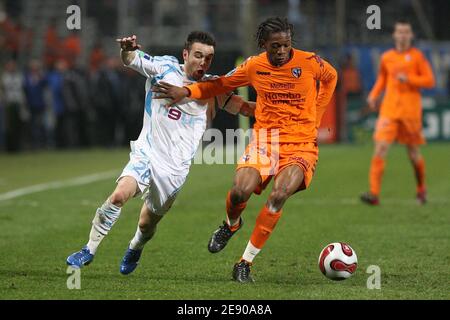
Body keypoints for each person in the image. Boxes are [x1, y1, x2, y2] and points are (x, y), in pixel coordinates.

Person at [153, 17, 337, 283]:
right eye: (275, 47)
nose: (282, 52)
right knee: (240, 190)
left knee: (279, 194)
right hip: (266, 140)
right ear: (264, 45)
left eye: (286, 45)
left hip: (301, 144)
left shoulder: (309, 62)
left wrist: (317, 115)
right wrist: (187, 90)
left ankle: (245, 262)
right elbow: (220, 85)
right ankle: (231, 224)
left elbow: (331, 77)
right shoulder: (254, 66)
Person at [66, 31, 255, 274]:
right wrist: (127, 48)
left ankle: (136, 245)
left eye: (208, 58)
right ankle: (88, 250)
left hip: (175, 169)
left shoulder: (212, 86)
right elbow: (132, 59)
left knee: (147, 224)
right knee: (118, 196)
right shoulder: (164, 68)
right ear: (185, 54)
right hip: (147, 152)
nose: (203, 62)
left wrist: (277, 110)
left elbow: (243, 108)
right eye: (198, 55)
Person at [360, 20, 435, 206]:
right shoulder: (387, 57)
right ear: (394, 35)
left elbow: (429, 80)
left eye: (406, 32)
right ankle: (374, 193)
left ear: (411, 36)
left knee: (413, 153)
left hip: (410, 112)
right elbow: (382, 80)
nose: (402, 35)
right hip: (389, 111)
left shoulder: (417, 57)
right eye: (399, 32)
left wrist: (408, 78)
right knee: (380, 148)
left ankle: (421, 188)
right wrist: (373, 95)